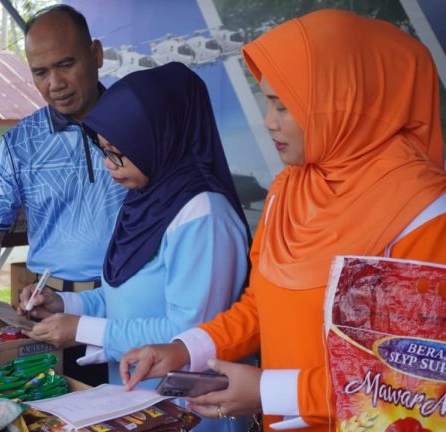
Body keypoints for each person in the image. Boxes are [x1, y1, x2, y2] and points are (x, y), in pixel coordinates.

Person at [118, 9, 446, 432]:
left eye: (283, 105)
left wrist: (270, 392)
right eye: (266, 102)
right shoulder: (287, 189)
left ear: (343, 103)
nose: (269, 122)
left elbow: (417, 379)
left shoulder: (423, 212)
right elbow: (261, 306)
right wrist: (183, 350)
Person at [19, 62, 250, 432]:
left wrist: (82, 329)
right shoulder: (145, 201)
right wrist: (65, 305)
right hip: (141, 405)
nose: (108, 165)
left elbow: (190, 333)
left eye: (117, 152)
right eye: (104, 151)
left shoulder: (203, 215)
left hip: (193, 412)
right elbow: (125, 297)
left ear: (159, 138)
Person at [0, 4, 127, 385]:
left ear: (96, 54)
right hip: (50, 312)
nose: (55, 83)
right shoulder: (21, 143)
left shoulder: (139, 125)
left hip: (133, 307)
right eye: (40, 72)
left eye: (66, 64)